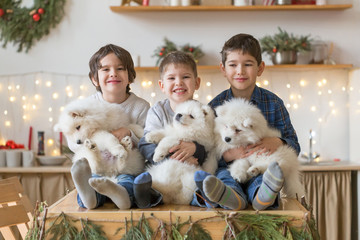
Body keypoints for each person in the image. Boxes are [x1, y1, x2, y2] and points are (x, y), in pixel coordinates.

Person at [197, 33, 301, 211]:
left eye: (248, 64)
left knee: (262, 178)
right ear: (223, 69)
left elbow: (294, 146)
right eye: (233, 65)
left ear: (260, 68)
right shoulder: (215, 106)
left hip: (260, 166)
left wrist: (278, 142)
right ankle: (232, 197)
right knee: (223, 176)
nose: (240, 71)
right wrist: (227, 156)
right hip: (229, 169)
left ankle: (262, 197)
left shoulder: (273, 103)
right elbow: (207, 149)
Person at [69, 44, 150, 209]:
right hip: (97, 166)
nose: (113, 73)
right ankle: (89, 198)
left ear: (130, 76)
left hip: (126, 166)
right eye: (105, 69)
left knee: (129, 182)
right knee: (91, 180)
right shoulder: (87, 106)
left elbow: (147, 140)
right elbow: (72, 139)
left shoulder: (141, 106)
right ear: (94, 78)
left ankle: (120, 195)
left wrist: (129, 133)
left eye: (120, 68)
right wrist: (94, 138)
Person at [135, 51, 214, 208]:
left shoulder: (203, 112)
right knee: (157, 182)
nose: (179, 83)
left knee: (193, 185)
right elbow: (146, 144)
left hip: (192, 167)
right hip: (164, 168)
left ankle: (202, 197)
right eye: (171, 78)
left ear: (197, 83)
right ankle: (147, 196)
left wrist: (196, 150)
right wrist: (171, 158)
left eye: (185, 77)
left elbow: (211, 145)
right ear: (162, 86)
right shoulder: (158, 111)